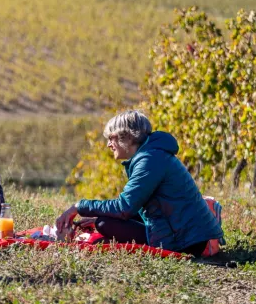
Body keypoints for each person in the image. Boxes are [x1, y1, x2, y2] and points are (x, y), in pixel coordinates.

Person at [56, 110, 223, 256]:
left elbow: (124, 208)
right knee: (102, 221)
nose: (108, 144)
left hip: (184, 242)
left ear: (127, 137)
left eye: (111, 138)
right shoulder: (153, 155)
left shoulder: (149, 160)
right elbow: (143, 207)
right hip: (187, 235)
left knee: (104, 224)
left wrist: (79, 206)